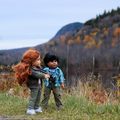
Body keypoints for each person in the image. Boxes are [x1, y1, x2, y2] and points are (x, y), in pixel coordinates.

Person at [13, 48, 50, 115]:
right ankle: (30, 109)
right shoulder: (31, 70)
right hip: (34, 86)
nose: (40, 61)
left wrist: (46, 72)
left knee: (38, 97)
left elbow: (41, 71)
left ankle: (36, 107)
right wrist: (44, 76)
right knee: (33, 97)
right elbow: (37, 74)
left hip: (38, 86)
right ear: (32, 61)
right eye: (38, 60)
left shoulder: (37, 67)